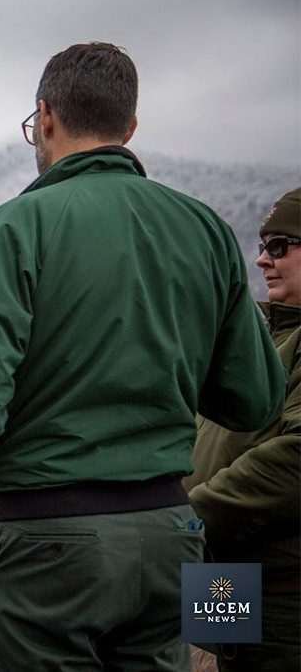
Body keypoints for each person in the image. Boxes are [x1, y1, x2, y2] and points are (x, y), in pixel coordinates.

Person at [0, 42, 285, 671]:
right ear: (130, 128)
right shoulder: (204, 229)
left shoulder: (19, 225)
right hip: (169, 535)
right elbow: (253, 397)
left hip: (49, 542)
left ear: (47, 116)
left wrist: (13, 468)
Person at [184, 187, 300, 671]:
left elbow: (295, 456)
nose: (261, 261)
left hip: (282, 586)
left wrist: (188, 517)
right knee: (217, 662)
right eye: (261, 246)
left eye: (279, 246)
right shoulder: (253, 332)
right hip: (218, 567)